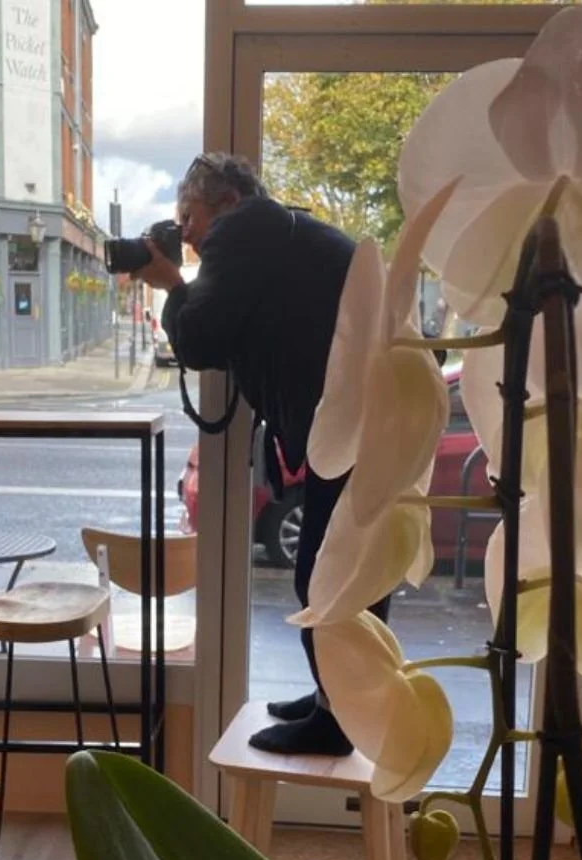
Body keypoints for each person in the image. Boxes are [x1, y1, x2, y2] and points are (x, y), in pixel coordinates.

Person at [135, 152, 389, 757]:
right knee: (345, 575)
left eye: (189, 216)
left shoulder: (243, 232)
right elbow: (229, 335)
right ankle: (336, 698)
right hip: (366, 420)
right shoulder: (276, 235)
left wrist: (171, 283)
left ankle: (337, 723)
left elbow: (197, 341)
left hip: (357, 427)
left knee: (328, 579)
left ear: (224, 203)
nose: (187, 233)